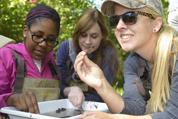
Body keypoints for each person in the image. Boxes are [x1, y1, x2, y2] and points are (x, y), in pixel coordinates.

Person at [74, 0, 178, 119]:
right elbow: (134, 110)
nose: (119, 26)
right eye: (115, 20)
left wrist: (112, 118)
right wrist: (101, 84)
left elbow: (174, 115)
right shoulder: (134, 62)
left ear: (156, 24)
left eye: (130, 17)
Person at [0, 4, 60, 114]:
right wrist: (11, 99)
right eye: (37, 36)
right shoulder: (6, 56)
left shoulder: (53, 64)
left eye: (51, 40)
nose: (43, 44)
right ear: (25, 31)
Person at [56, 8, 119, 108]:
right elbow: (58, 84)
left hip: (95, 109)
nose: (87, 41)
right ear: (77, 34)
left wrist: (82, 98)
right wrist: (70, 90)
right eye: (83, 35)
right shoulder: (65, 48)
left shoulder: (108, 53)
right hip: (65, 107)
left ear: (102, 35)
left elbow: (105, 93)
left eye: (94, 36)